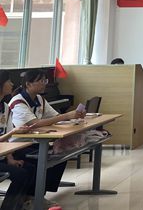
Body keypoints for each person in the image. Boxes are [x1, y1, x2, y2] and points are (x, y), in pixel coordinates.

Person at [8, 69, 85, 208]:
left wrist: (73, 118)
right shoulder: (18, 102)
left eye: (45, 80)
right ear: (28, 84)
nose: (44, 84)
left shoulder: (39, 99)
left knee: (59, 154)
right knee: (41, 159)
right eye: (41, 81)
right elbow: (34, 123)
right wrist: (66, 116)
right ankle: (31, 197)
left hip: (34, 142)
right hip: (17, 146)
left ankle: (37, 195)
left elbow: (55, 116)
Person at [0, 71, 35, 210]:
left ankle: (18, 205)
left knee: (29, 168)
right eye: (8, 81)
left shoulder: (5, 107)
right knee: (20, 174)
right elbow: (10, 134)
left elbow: (6, 137)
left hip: (2, 156)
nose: (12, 84)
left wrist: (10, 158)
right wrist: (14, 132)